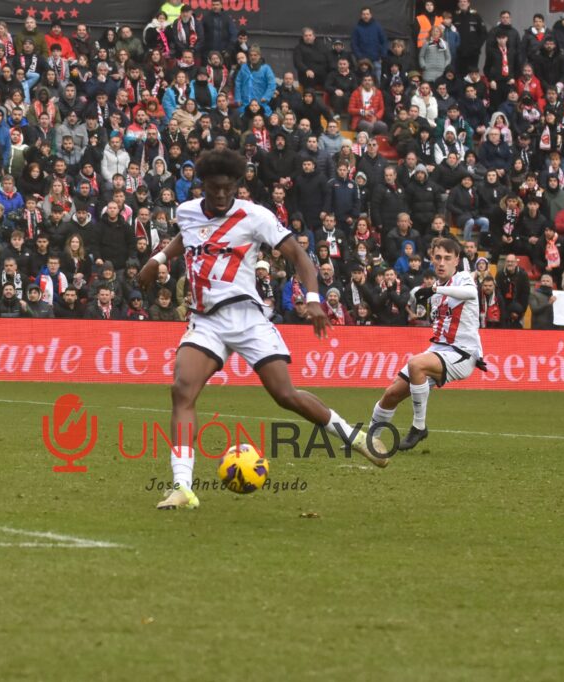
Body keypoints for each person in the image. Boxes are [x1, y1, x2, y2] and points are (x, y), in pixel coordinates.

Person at [136, 149, 387, 510]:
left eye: (228, 188)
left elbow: (298, 256)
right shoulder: (188, 212)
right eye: (214, 188)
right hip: (206, 320)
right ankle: (182, 488)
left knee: (284, 394)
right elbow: (187, 238)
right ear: (202, 185)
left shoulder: (255, 216)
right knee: (182, 390)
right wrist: (158, 258)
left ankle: (353, 437)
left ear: (237, 185)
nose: (221, 194)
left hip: (247, 317)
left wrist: (313, 298)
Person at [369, 238, 484, 451]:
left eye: (447, 258)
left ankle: (419, 427)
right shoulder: (436, 290)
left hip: (462, 353)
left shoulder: (462, 278)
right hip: (439, 349)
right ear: (431, 259)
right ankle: (370, 440)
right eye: (437, 257)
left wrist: (435, 290)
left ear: (456, 260)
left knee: (416, 364)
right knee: (392, 393)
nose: (441, 262)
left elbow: (471, 293)